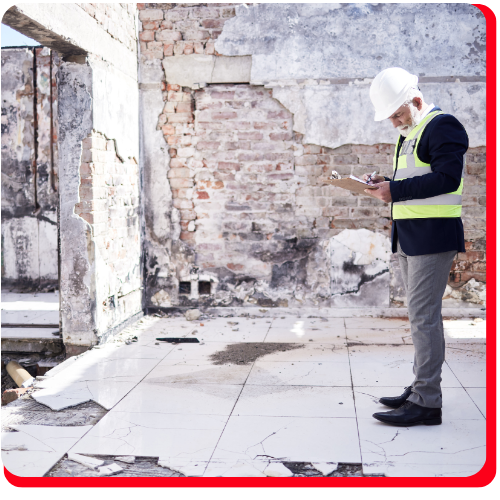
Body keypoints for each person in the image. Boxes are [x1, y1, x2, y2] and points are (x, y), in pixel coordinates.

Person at [364, 67, 468, 426]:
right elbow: (416, 177)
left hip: (433, 237)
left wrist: (396, 190)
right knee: (418, 317)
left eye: (397, 114)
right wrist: (386, 182)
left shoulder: (444, 126)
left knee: (423, 319)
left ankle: (427, 402)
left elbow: (446, 178)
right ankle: (422, 387)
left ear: (417, 101)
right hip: (410, 235)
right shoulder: (411, 132)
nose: (394, 123)